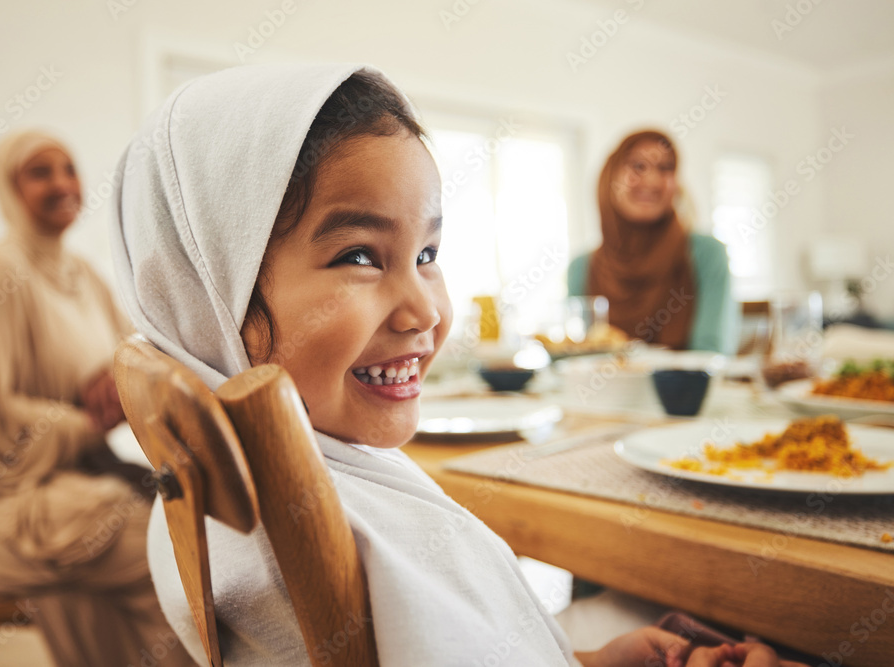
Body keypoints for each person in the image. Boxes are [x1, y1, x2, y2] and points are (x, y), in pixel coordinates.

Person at [111, 64, 802, 666]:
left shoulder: (222, 480)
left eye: (426, 255)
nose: (426, 312)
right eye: (359, 255)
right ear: (205, 290)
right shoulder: (320, 534)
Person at [0, 130, 195, 666]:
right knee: (158, 545)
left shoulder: (84, 277)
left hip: (66, 474)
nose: (62, 184)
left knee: (178, 511)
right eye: (39, 172)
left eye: (68, 169)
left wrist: (120, 383)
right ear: (8, 187)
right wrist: (87, 423)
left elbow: (134, 364)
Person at [567, 130, 737, 354]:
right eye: (638, 166)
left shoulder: (706, 253)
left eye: (665, 168)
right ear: (611, 177)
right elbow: (578, 357)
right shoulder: (582, 268)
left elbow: (710, 355)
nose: (652, 180)